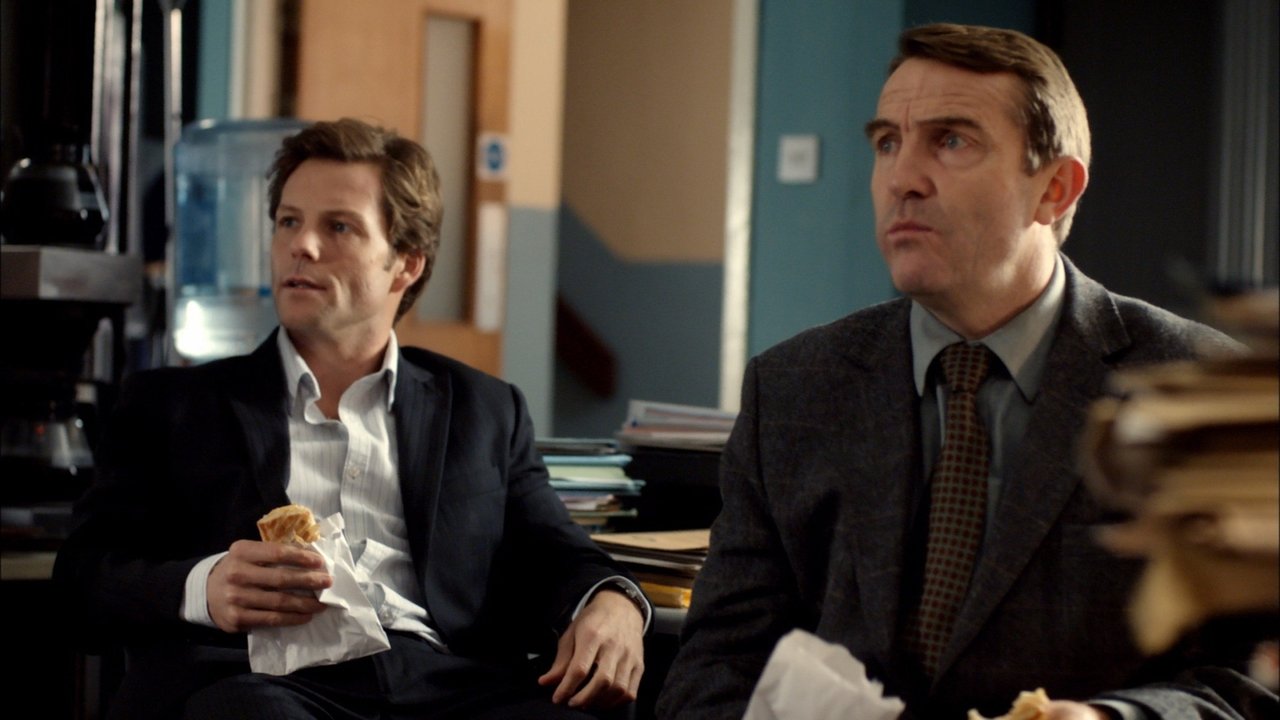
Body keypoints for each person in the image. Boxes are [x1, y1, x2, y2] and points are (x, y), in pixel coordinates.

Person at [657, 23, 1275, 720]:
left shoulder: (1200, 388)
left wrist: (1113, 719)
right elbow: (715, 667)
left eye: (951, 141)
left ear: (1055, 189)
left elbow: (1254, 677)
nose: (902, 179)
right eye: (887, 143)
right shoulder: (793, 388)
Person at [53, 118, 649, 720]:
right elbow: (82, 580)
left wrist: (613, 600)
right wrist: (203, 588)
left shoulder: (486, 409)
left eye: (338, 226)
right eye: (289, 221)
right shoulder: (172, 405)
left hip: (451, 686)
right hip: (267, 683)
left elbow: (557, 551)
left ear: (406, 264)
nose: (301, 246)